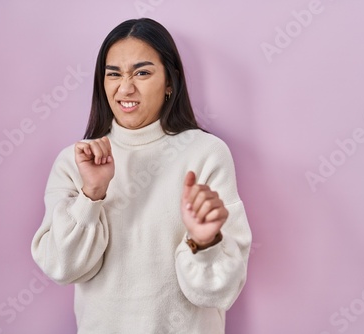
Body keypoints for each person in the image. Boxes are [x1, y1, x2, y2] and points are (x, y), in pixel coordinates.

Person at [31, 18, 252, 334]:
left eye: (142, 72)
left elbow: (217, 291)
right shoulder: (75, 161)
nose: (125, 87)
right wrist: (91, 194)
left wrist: (203, 242)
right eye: (114, 74)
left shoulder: (205, 152)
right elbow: (62, 268)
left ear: (170, 82)